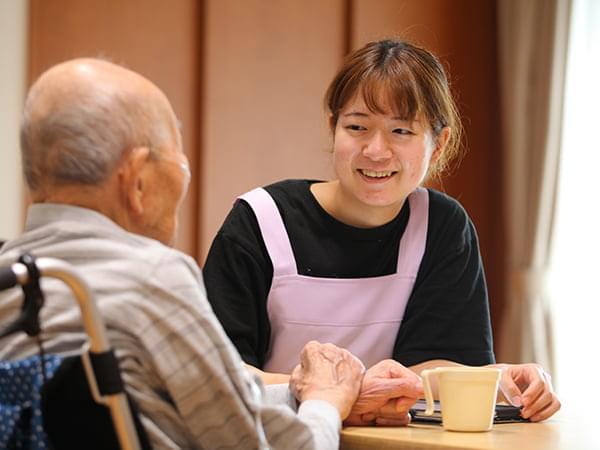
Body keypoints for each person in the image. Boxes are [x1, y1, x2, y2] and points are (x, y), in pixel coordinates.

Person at [0, 58, 366, 449]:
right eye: (176, 152)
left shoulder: (13, 284)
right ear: (138, 179)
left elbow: (178, 400)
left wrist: (309, 392)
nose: (183, 169)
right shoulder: (151, 278)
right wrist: (326, 403)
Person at [203, 39, 561, 424]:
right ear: (333, 128)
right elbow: (217, 373)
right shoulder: (260, 221)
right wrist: (336, 394)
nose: (375, 150)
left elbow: (433, 367)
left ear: (437, 145)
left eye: (401, 131)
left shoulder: (441, 226)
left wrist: (499, 377)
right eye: (357, 127)